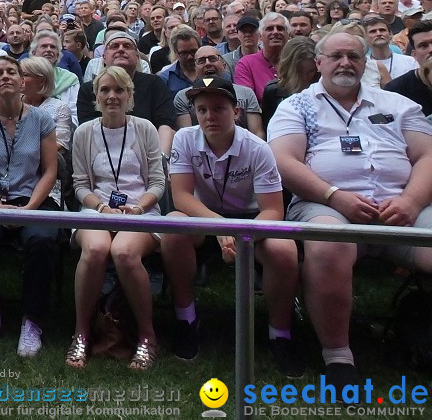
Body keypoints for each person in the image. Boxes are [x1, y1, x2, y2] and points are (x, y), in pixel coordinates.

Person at [267, 31, 432, 391]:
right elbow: (284, 161)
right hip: (325, 205)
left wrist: (411, 202)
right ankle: (338, 356)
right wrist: (334, 195)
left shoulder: (399, 104)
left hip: (402, 208)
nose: (345, 63)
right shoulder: (296, 106)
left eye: (354, 57)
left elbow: (428, 157)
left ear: (365, 63)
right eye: (337, 56)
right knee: (330, 243)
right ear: (319, 63)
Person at [162, 78, 301, 375]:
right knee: (173, 228)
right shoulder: (185, 138)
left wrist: (240, 236)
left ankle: (281, 334)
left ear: (236, 111)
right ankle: (185, 319)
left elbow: (274, 210)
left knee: (284, 248)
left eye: (218, 109)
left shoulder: (257, 148)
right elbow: (182, 197)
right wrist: (221, 228)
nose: (209, 116)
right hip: (204, 217)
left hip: (251, 218)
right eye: (202, 109)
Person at [68, 65, 165, 371]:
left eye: (119, 90)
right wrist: (101, 208)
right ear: (96, 96)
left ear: (129, 96)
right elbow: (81, 184)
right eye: (105, 90)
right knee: (96, 248)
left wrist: (137, 209)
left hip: (142, 209)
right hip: (96, 209)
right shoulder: (84, 132)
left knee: (123, 251)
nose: (112, 96)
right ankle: (81, 333)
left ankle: (147, 336)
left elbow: (157, 183)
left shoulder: (145, 129)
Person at [0, 56, 59, 359]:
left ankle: (32, 321)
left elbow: (50, 170)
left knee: (41, 241)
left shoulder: (42, 119)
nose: (5, 76)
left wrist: (28, 209)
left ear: (23, 81)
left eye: (11, 72)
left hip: (35, 200)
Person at [260, 37, 319, 126]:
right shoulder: (274, 91)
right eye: (299, 72)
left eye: (311, 71)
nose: (305, 77)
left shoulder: (323, 88)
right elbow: (269, 127)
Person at [235, 12, 291, 101]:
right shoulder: (246, 64)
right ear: (260, 36)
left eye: (280, 28)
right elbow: (247, 103)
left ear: (288, 35)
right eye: (269, 29)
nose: (275, 32)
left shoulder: (297, 62)